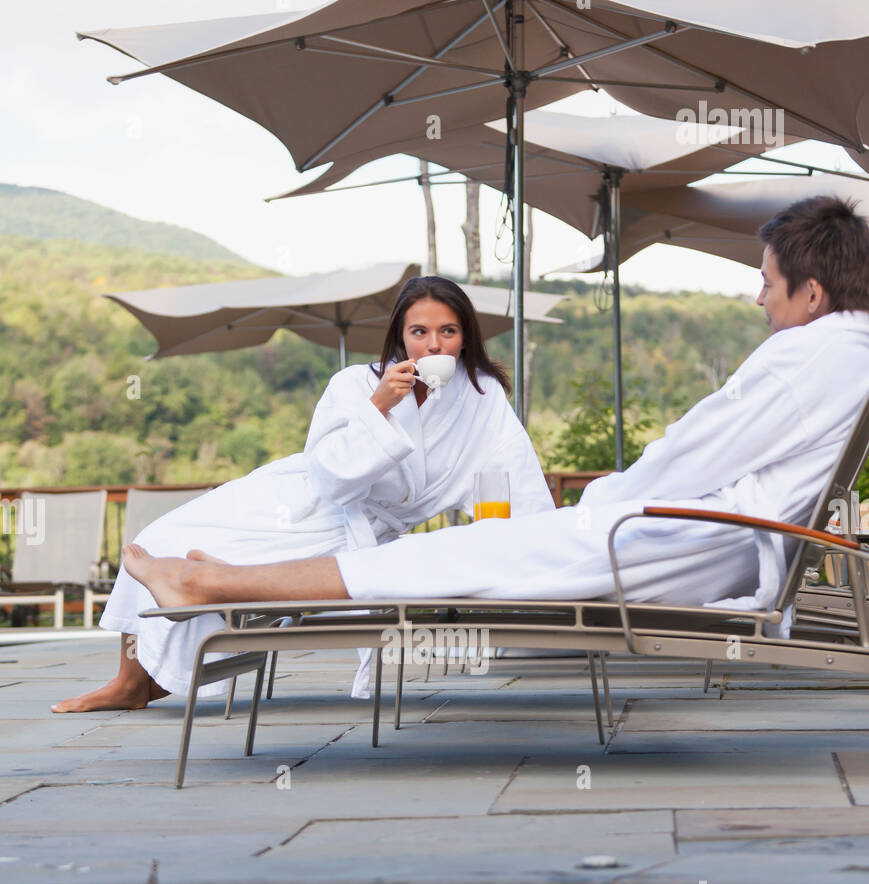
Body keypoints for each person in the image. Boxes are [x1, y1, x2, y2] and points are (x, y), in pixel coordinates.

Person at [119, 197, 869, 626]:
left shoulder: (807, 355)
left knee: (439, 559)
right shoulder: (843, 350)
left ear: (811, 293)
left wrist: (603, 499)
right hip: (700, 536)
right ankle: (224, 579)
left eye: (767, 284)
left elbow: (696, 453)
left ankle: (215, 585)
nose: (758, 298)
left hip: (663, 540)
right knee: (448, 555)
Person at [52, 276, 554, 712]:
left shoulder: (483, 400)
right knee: (158, 534)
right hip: (303, 498)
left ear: (465, 337)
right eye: (419, 332)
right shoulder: (357, 383)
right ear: (400, 337)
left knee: (207, 558)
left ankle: (204, 588)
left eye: (447, 331)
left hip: (362, 531)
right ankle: (129, 681)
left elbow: (514, 478)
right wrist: (377, 407)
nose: (433, 346)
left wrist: (536, 555)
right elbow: (331, 476)